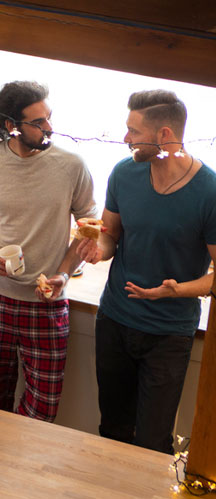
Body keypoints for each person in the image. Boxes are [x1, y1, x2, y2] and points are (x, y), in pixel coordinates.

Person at [84, 90, 216, 454]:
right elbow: (111, 237)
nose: (125, 138)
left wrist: (177, 290)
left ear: (164, 135)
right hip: (114, 321)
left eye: (132, 130)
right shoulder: (124, 174)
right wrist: (98, 249)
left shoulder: (210, 191)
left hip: (168, 335)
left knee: (152, 442)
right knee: (112, 430)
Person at [0, 81, 98, 421]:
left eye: (49, 117)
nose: (49, 127)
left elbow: (88, 229)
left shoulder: (72, 166)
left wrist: (64, 274)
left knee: (43, 413)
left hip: (47, 305)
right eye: (38, 122)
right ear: (11, 126)